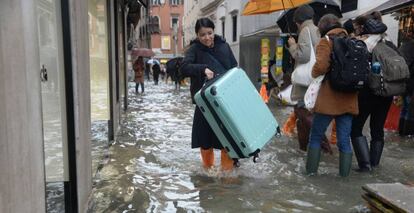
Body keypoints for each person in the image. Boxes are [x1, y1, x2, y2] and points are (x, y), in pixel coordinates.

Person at [180, 18, 238, 171]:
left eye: (209, 33)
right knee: (205, 139)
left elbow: (234, 68)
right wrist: (202, 69)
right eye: (202, 35)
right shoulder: (194, 50)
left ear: (214, 31)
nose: (207, 37)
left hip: (225, 100)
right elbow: (184, 68)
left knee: (228, 137)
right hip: (204, 101)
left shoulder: (224, 46)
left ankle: (227, 173)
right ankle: (208, 171)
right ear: (197, 36)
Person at [306, 14, 358, 177]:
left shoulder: (326, 41)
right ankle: (344, 178)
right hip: (349, 99)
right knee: (344, 141)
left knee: (315, 137)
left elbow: (320, 67)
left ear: (322, 28)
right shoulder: (353, 41)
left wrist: (312, 72)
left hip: (329, 100)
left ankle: (311, 174)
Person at [286, 5, 335, 152]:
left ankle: (324, 148)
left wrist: (293, 45)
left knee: (303, 112)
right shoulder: (317, 30)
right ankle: (304, 149)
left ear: (297, 21)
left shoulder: (305, 30)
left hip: (305, 82)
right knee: (302, 118)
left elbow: (303, 55)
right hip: (316, 79)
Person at [351, 12, 392, 172]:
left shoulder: (364, 43)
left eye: (356, 28)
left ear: (362, 27)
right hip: (388, 91)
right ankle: (374, 164)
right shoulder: (389, 41)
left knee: (356, 128)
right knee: (378, 129)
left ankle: (365, 166)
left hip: (368, 92)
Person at [398, 31, 414, 136]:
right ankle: (408, 132)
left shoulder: (403, 46)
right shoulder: (412, 47)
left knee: (405, 106)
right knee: (410, 108)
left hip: (403, 81)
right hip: (411, 81)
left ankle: (401, 131)